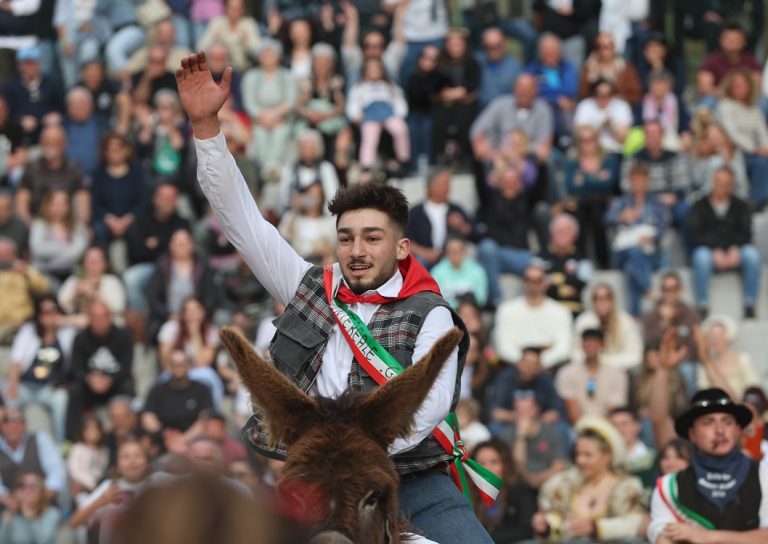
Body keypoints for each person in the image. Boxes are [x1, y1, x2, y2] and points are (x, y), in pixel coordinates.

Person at [177, 50, 490, 543]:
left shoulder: (432, 314)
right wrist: (206, 130)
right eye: (346, 238)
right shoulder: (307, 285)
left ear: (402, 247)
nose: (357, 251)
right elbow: (243, 222)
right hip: (312, 483)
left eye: (372, 237)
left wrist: (345, 447)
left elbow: (424, 411)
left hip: (410, 483)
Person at [648, 388, 768, 543]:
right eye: (708, 422)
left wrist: (708, 537)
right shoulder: (669, 487)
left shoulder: (763, 473)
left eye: (728, 422)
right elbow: (664, 538)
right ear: (691, 433)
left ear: (739, 429)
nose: (720, 430)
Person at [532, 415, 647, 542]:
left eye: (588, 455)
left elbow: (637, 524)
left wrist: (596, 528)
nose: (580, 460)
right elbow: (558, 525)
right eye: (578, 454)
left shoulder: (627, 487)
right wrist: (547, 526)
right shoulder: (562, 485)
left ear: (607, 456)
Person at [689, 166, 761, 318]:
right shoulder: (700, 205)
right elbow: (696, 234)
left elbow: (746, 233)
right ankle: (703, 304)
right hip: (710, 252)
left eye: (726, 183)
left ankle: (750, 303)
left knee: (753, 255)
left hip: (735, 251)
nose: (721, 186)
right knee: (700, 257)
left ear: (731, 185)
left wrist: (734, 248)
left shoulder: (741, 205)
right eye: (718, 182)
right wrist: (716, 249)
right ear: (713, 182)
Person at [6, 295, 75, 444]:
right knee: (8, 400)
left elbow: (88, 321)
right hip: (25, 386)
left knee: (62, 399)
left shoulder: (67, 332)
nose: (50, 316)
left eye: (53, 311)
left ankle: (62, 444)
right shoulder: (28, 331)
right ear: (38, 315)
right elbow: (16, 361)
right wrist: (13, 385)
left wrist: (61, 321)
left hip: (49, 388)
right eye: (45, 312)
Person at [605, 163, 670, 317]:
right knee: (633, 251)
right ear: (630, 182)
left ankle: (635, 314)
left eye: (641, 180)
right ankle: (648, 288)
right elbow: (606, 220)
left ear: (647, 182)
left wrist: (651, 236)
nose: (638, 184)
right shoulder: (622, 202)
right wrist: (620, 217)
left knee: (631, 266)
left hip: (649, 252)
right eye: (635, 181)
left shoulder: (655, 203)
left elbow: (665, 224)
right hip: (624, 251)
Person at [67, 301, 134, 440]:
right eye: (95, 318)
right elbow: (76, 369)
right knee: (75, 392)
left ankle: (128, 437)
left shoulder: (124, 336)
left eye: (102, 317)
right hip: (90, 385)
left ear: (110, 317)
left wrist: (109, 379)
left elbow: (126, 367)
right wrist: (89, 379)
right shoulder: (80, 338)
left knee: (127, 386)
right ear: (89, 319)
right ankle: (72, 439)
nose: (99, 322)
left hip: (116, 383)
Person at [69, 439, 152, 542]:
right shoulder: (110, 488)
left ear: (148, 462)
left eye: (138, 455)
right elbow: (74, 522)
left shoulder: (159, 482)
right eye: (125, 457)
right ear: (117, 466)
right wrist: (101, 501)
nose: (132, 461)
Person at [492, 264, 573, 369]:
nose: (533, 284)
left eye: (538, 280)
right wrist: (526, 364)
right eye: (528, 279)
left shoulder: (561, 312)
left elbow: (563, 348)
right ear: (522, 282)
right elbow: (504, 347)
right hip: (515, 368)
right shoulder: (506, 310)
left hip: (552, 369)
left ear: (546, 283)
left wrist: (539, 363)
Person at [716, 67, 768, 208]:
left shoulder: (754, 109)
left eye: (743, 85)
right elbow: (732, 133)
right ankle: (757, 202)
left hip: (754, 152)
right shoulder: (725, 106)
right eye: (736, 85)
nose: (740, 88)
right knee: (761, 163)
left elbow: (762, 132)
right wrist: (755, 149)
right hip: (733, 152)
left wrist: (765, 148)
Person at [499, 391, 569, 492]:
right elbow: (517, 465)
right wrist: (520, 437)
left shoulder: (552, 432)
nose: (523, 413)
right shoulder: (505, 434)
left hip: (546, 481)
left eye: (527, 409)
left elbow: (559, 466)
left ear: (537, 409)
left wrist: (535, 479)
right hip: (518, 483)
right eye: (519, 409)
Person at [556, 329, 629, 424]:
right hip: (577, 425)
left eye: (594, 342)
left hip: (607, 425)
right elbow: (572, 410)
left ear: (602, 345)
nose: (590, 345)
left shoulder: (617, 375)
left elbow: (614, 409)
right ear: (581, 345)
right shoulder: (567, 372)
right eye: (587, 341)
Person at [471, 439, 537, 543]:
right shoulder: (465, 492)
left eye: (494, 462)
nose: (488, 468)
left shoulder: (520, 490)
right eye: (482, 463)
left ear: (506, 465)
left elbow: (526, 529)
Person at [407, 169, 473, 269]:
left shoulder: (456, 210)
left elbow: (475, 234)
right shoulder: (415, 212)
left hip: (452, 257)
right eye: (444, 184)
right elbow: (406, 239)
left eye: (449, 184)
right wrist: (424, 252)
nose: (448, 189)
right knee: (418, 266)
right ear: (430, 186)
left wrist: (461, 225)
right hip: (424, 258)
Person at [0, 407, 67, 503]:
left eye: (17, 420)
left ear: (25, 424)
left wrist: (38, 498)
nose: (12, 426)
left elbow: (56, 473)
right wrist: (9, 501)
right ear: (1, 426)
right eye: (7, 421)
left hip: (43, 505)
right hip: (10, 508)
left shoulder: (40, 439)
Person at [573, 283, 643, 370]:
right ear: (592, 301)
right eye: (597, 298)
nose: (602, 302)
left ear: (612, 300)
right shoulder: (584, 321)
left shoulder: (625, 321)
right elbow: (575, 353)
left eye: (606, 298)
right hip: (588, 369)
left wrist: (604, 362)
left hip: (619, 370)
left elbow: (635, 356)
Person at [540, 213, 593, 317]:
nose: (561, 233)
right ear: (551, 234)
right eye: (558, 230)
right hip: (546, 310)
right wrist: (567, 280)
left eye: (566, 230)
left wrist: (554, 279)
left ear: (575, 235)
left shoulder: (583, 258)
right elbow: (538, 283)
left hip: (574, 310)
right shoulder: (540, 257)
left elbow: (581, 284)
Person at [697, 315, 761, 400]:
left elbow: (753, 388)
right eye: (712, 335)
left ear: (728, 335)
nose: (716, 339)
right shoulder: (704, 365)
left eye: (720, 334)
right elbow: (704, 391)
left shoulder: (743, 359)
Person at [0, 239, 50, 344]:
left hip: (22, 322)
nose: (4, 260)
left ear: (14, 255)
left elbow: (44, 288)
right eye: (1, 256)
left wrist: (26, 274)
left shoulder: (25, 269)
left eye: (7, 256)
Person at [0, 472, 60, 544]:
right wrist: (8, 517)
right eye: (22, 486)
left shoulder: (51, 513)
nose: (28, 490)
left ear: (42, 493)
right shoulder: (10, 514)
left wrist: (29, 515)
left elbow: (44, 541)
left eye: (34, 486)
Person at [430, 237, 488, 309]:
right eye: (452, 252)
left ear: (464, 252)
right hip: (446, 312)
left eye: (458, 252)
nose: (455, 256)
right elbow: (434, 300)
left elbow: (481, 299)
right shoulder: (437, 272)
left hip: (470, 313)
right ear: (446, 253)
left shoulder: (477, 271)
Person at [609, 406, 657, 490]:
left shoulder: (653, 459)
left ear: (638, 426)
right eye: (614, 425)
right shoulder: (604, 460)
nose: (620, 430)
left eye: (625, 424)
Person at [67, 415, 109, 506]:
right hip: (83, 488)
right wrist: (91, 484)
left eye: (95, 430)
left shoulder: (103, 450)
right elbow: (75, 471)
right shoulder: (78, 448)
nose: (92, 433)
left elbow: (103, 468)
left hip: (99, 485)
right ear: (82, 432)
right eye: (88, 430)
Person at [476, 27, 521, 108]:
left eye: (497, 46)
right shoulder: (476, 62)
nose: (493, 50)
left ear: (504, 44)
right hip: (480, 112)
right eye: (488, 47)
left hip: (505, 113)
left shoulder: (515, 67)